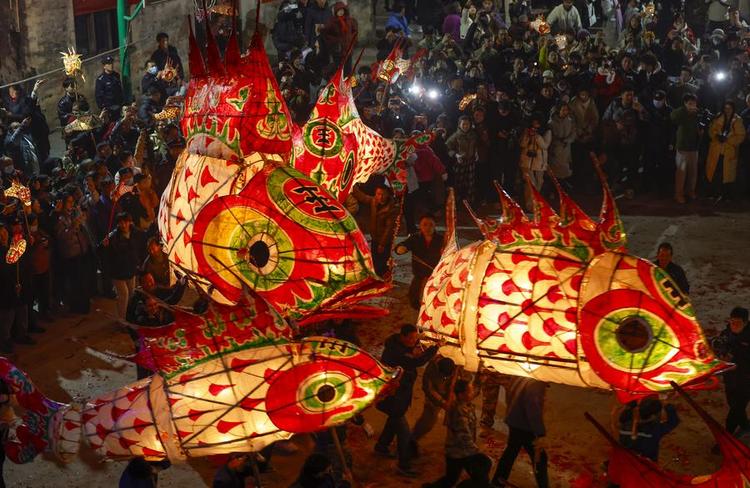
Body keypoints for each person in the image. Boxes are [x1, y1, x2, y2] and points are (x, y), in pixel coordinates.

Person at [375, 324, 439, 477]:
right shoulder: (395, 352)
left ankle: (381, 446)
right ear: (402, 336)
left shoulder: (400, 346)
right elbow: (416, 362)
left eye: (415, 338)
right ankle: (404, 465)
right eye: (410, 338)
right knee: (404, 433)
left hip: (398, 397)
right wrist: (435, 348)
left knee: (393, 421)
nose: (413, 341)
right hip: (393, 397)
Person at [423, 378, 491, 488]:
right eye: (469, 391)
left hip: (462, 451)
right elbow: (464, 436)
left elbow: (475, 391)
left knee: (452, 479)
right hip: (458, 452)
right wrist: (476, 450)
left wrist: (480, 379)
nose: (472, 393)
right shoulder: (459, 412)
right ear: (461, 395)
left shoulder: (465, 404)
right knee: (459, 478)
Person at [491, 377, 549, 487]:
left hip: (514, 421)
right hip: (525, 426)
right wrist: (540, 432)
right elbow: (533, 409)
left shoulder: (520, 377)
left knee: (510, 453)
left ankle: (497, 482)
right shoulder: (535, 384)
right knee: (539, 457)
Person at [711, 307, 750, 436]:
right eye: (732, 321)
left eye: (738, 323)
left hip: (746, 381)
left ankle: (728, 435)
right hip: (730, 379)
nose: (734, 325)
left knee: (736, 409)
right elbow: (718, 349)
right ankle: (745, 425)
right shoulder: (726, 334)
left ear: (745, 323)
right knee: (733, 404)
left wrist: (738, 365)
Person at [395, 215, 443, 309]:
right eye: (424, 224)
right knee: (416, 289)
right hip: (419, 271)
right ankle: (415, 303)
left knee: (435, 292)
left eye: (431, 225)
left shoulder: (441, 239)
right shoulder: (415, 238)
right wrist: (401, 248)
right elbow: (404, 244)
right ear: (420, 226)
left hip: (434, 271)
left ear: (435, 226)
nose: (427, 227)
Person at [352, 184, 399, 277]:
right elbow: (363, 197)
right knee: (374, 260)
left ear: (387, 194)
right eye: (378, 194)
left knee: (383, 262)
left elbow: (389, 229)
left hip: (384, 240)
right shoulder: (374, 201)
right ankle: (377, 276)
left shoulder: (391, 208)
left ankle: (383, 277)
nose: (380, 197)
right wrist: (352, 186)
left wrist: (382, 244)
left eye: (383, 194)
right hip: (375, 237)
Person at [616, 396, 679, 462]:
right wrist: (666, 404)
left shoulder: (625, 425)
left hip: (626, 462)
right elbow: (673, 421)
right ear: (653, 416)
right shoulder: (655, 430)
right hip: (647, 463)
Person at [102, 212, 140, 320]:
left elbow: (142, 241)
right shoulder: (113, 236)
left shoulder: (135, 232)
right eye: (120, 223)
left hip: (130, 269)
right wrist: (105, 246)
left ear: (129, 222)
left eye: (125, 222)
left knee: (132, 294)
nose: (123, 225)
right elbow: (104, 252)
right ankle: (122, 320)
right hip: (117, 271)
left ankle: (130, 317)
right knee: (124, 295)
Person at [706, 101, 746, 201]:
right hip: (716, 150)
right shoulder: (718, 117)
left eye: (729, 108)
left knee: (727, 174)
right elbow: (711, 130)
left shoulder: (737, 120)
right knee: (714, 172)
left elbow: (741, 136)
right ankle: (714, 193)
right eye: (725, 108)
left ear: (733, 109)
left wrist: (728, 140)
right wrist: (716, 136)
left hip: (729, 151)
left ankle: (725, 195)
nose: (727, 110)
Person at [412, 356, 456, 442]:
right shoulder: (431, 370)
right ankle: (413, 438)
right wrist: (442, 401)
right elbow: (428, 389)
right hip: (433, 398)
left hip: (445, 395)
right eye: (444, 376)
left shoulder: (454, 365)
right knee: (428, 420)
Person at [670, 94, 700, 203]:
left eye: (694, 103)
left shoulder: (697, 114)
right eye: (690, 103)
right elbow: (673, 117)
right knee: (681, 172)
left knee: (693, 172)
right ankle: (678, 194)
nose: (692, 106)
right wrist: (686, 111)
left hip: (694, 147)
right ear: (685, 104)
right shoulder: (681, 112)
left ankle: (690, 191)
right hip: (682, 147)